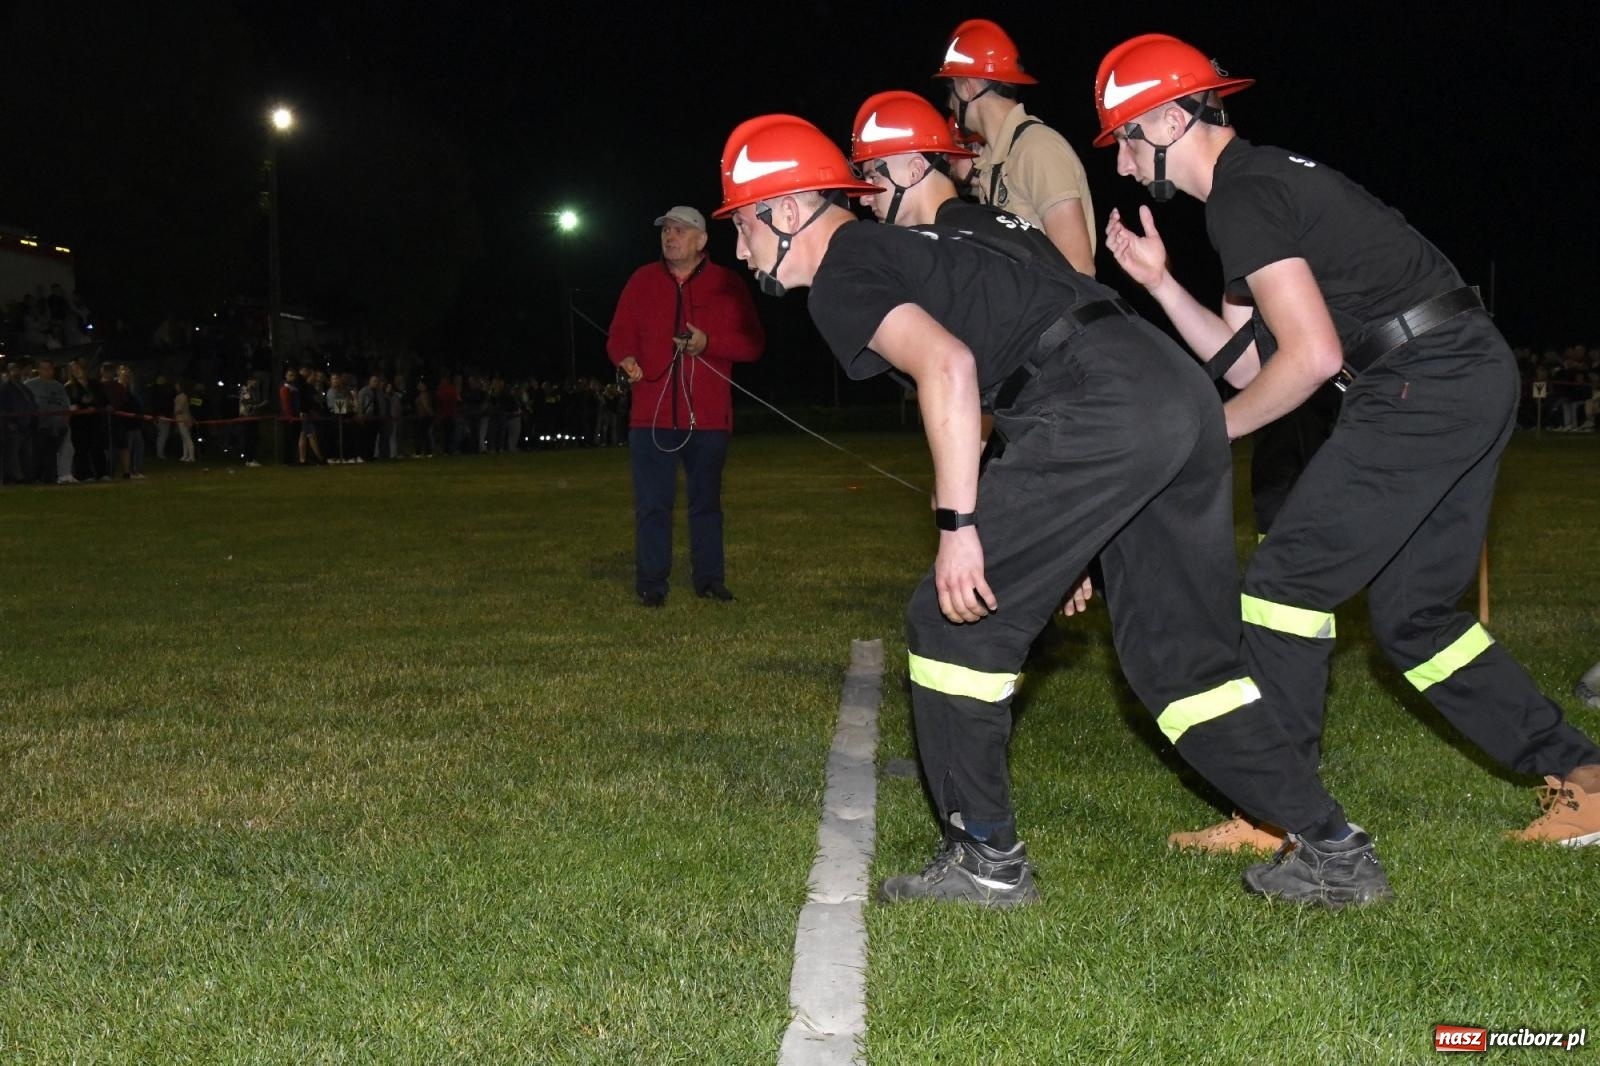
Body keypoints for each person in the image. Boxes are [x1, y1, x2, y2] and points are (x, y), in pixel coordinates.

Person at [714, 113, 1391, 908]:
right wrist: (1059, 530)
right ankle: (1335, 851)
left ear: (789, 211)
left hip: (1096, 402)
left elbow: (951, 367)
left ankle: (985, 861)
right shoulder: (950, 238)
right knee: (1182, 665)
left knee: (948, 618)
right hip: (1170, 391)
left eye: (743, 225)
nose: (739, 248)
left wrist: (961, 526)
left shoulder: (845, 267)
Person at [1092, 34, 1600, 857]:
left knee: (1284, 587)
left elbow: (1313, 358)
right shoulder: (1256, 191)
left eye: (1122, 139)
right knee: (1416, 619)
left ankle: (1280, 812)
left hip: (1422, 382)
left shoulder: (1242, 195)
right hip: (1461, 370)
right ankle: (1588, 779)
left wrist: (1204, 438)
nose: (1119, 165)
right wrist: (1157, 284)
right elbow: (1250, 361)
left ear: (1168, 116)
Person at [606, 204, 764, 607]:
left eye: (679, 230)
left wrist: (708, 344)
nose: (669, 237)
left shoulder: (727, 284)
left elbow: (752, 345)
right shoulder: (641, 281)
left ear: (701, 240)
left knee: (706, 504)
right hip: (650, 417)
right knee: (652, 505)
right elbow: (618, 334)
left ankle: (710, 580)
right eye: (665, 231)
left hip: (708, 420)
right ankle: (651, 584)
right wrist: (625, 359)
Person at [933, 18, 1097, 275]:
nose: (949, 104)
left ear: (966, 88)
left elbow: (1079, 267)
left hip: (1057, 314)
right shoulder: (997, 162)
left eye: (949, 90)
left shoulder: (1037, 148)